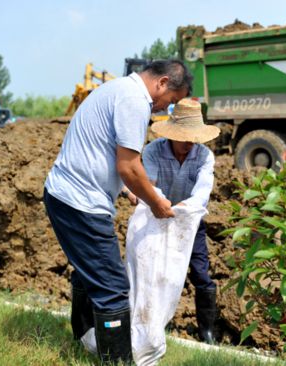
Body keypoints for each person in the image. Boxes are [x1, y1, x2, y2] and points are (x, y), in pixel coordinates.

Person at [43, 60, 192, 364]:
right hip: (80, 202)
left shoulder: (117, 89)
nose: (165, 109)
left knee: (90, 274)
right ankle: (118, 360)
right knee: (113, 286)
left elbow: (104, 151)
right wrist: (156, 202)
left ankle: (84, 340)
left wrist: (128, 189)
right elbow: (128, 166)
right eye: (171, 102)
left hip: (66, 194)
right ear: (162, 83)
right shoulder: (135, 101)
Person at [126, 98, 221, 344]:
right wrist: (161, 204)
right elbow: (151, 188)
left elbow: (202, 193)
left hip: (190, 223)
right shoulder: (153, 151)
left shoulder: (204, 156)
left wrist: (180, 209)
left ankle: (207, 332)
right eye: (184, 138)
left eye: (194, 139)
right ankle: (148, 320)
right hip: (155, 218)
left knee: (201, 273)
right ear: (172, 134)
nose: (189, 144)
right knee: (151, 269)